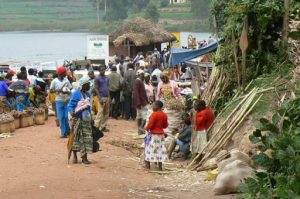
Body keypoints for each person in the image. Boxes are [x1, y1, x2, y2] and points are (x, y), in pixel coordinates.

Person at [68, 77, 93, 164]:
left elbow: (89, 107)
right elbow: (70, 105)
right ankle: (75, 156)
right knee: (76, 138)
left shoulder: (88, 94)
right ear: (83, 85)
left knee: (86, 139)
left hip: (86, 119)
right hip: (77, 118)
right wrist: (71, 112)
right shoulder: (76, 94)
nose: (89, 86)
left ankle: (84, 157)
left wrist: (91, 118)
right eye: (88, 85)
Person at [144, 100, 169, 171]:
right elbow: (165, 125)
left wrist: (146, 128)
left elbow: (150, 125)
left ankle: (148, 166)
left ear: (157, 106)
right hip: (160, 135)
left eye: (154, 105)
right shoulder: (164, 114)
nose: (152, 106)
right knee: (160, 150)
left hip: (153, 135)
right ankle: (160, 167)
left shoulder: (154, 114)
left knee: (149, 149)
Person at [50, 66, 72, 138]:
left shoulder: (66, 81)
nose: (65, 73)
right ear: (61, 73)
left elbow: (70, 88)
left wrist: (67, 92)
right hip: (59, 101)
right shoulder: (54, 81)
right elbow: (51, 90)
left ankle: (68, 131)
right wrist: (58, 90)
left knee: (66, 117)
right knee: (61, 117)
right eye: (64, 72)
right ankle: (63, 133)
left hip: (66, 101)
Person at [133, 69, 149, 135]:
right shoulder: (138, 81)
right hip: (141, 102)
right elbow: (136, 93)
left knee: (139, 116)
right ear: (141, 75)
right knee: (145, 116)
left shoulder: (139, 81)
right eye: (143, 75)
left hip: (140, 102)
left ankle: (139, 130)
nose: (143, 76)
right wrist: (138, 102)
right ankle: (141, 128)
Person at [94, 66, 110, 132]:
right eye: (102, 70)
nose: (103, 71)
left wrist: (110, 97)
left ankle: (103, 126)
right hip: (101, 97)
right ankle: (96, 127)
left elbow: (108, 87)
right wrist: (99, 98)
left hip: (107, 97)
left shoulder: (106, 78)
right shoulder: (97, 79)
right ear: (99, 71)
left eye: (104, 70)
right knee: (100, 112)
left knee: (106, 113)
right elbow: (96, 88)